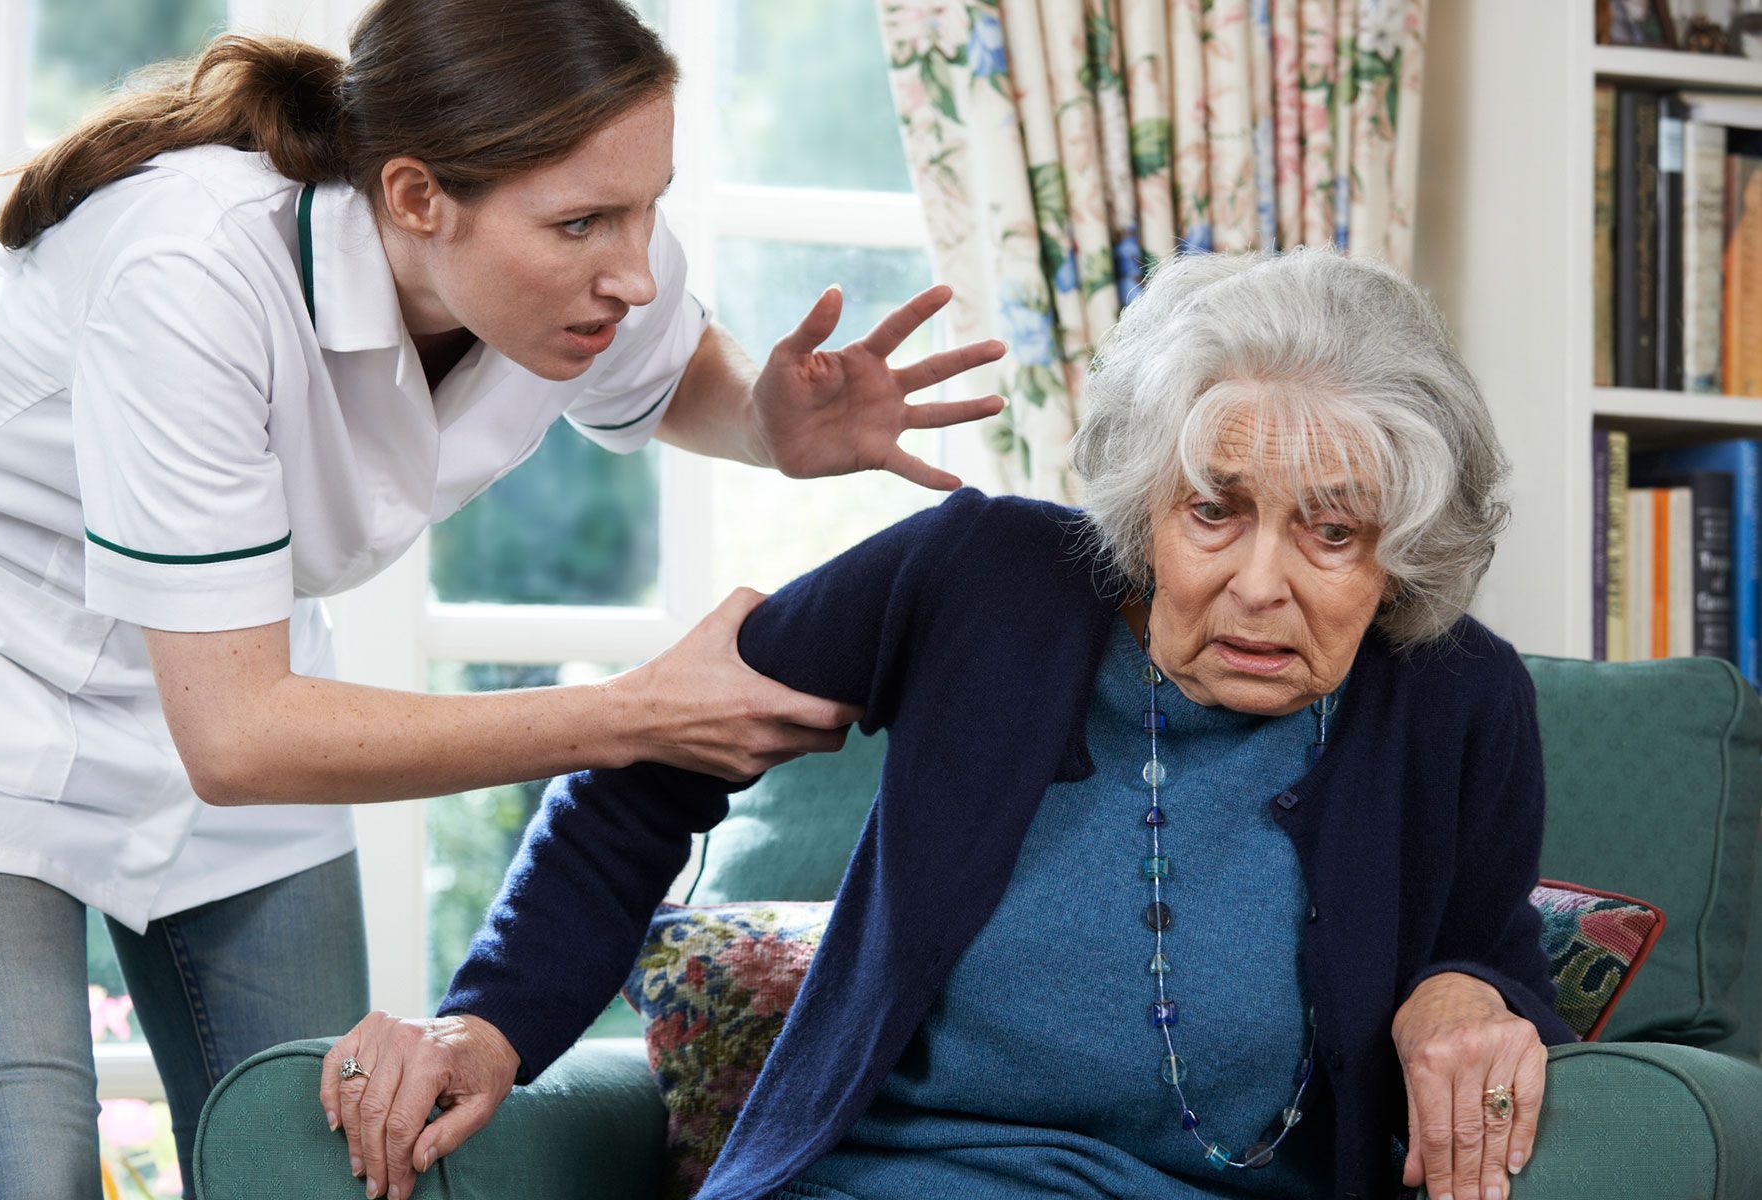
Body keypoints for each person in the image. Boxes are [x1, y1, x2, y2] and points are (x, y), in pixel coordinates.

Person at [0, 2, 1005, 1196]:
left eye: (648, 206)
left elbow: (665, 373)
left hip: (237, 672)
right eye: (581, 222)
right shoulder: (187, 265)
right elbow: (240, 735)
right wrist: (637, 714)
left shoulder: (587, 269)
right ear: (414, 197)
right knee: (20, 1171)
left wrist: (768, 425)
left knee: (323, 1164)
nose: (634, 265)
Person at [331, 248, 1574, 1200]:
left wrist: (1463, 992)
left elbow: (1482, 949)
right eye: (1214, 511)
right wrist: (489, 1018)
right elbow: (646, 765)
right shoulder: (982, 577)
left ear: (1403, 558)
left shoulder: (1455, 698)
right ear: (1144, 509)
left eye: (1332, 530)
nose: (1259, 582)